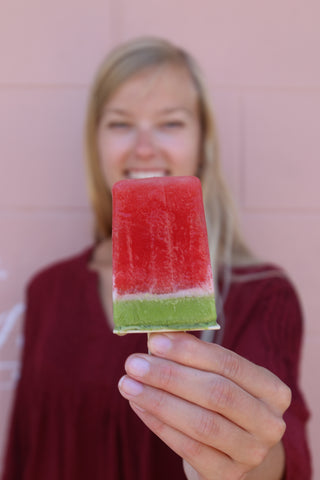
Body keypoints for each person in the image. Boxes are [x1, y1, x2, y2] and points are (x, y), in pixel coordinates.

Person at [2, 37, 311, 480]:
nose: (144, 148)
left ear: (203, 142)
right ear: (96, 143)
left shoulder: (263, 294)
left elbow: (284, 455)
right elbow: (24, 452)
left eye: (170, 123)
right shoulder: (48, 290)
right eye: (120, 123)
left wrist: (248, 461)